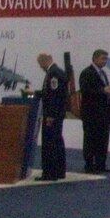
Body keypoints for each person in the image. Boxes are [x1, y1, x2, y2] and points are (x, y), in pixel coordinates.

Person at [78, 49, 110, 174]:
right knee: (90, 139)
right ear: (94, 58)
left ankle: (101, 163)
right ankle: (89, 164)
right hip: (91, 112)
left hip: (104, 112)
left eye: (106, 59)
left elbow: (105, 92)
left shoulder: (103, 73)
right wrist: (103, 91)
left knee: (103, 139)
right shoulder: (86, 73)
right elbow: (85, 91)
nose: (104, 61)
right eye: (102, 58)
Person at [31, 53, 68, 181]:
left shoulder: (53, 74)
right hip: (58, 113)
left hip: (52, 114)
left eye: (40, 64)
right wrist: (36, 92)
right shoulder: (58, 71)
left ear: (44, 61)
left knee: (49, 143)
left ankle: (50, 173)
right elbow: (50, 93)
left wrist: (50, 115)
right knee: (57, 141)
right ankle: (59, 171)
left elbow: (53, 96)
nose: (40, 67)